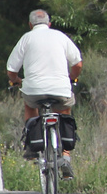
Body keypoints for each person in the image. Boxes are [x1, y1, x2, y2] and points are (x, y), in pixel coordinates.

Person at [5, 10, 83, 179]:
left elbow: (11, 70)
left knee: (30, 105)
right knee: (65, 109)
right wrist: (72, 78)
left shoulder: (26, 38)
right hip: (60, 88)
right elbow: (78, 63)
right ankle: (66, 155)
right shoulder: (61, 37)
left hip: (34, 89)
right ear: (49, 24)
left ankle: (32, 146)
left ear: (30, 25)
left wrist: (17, 80)